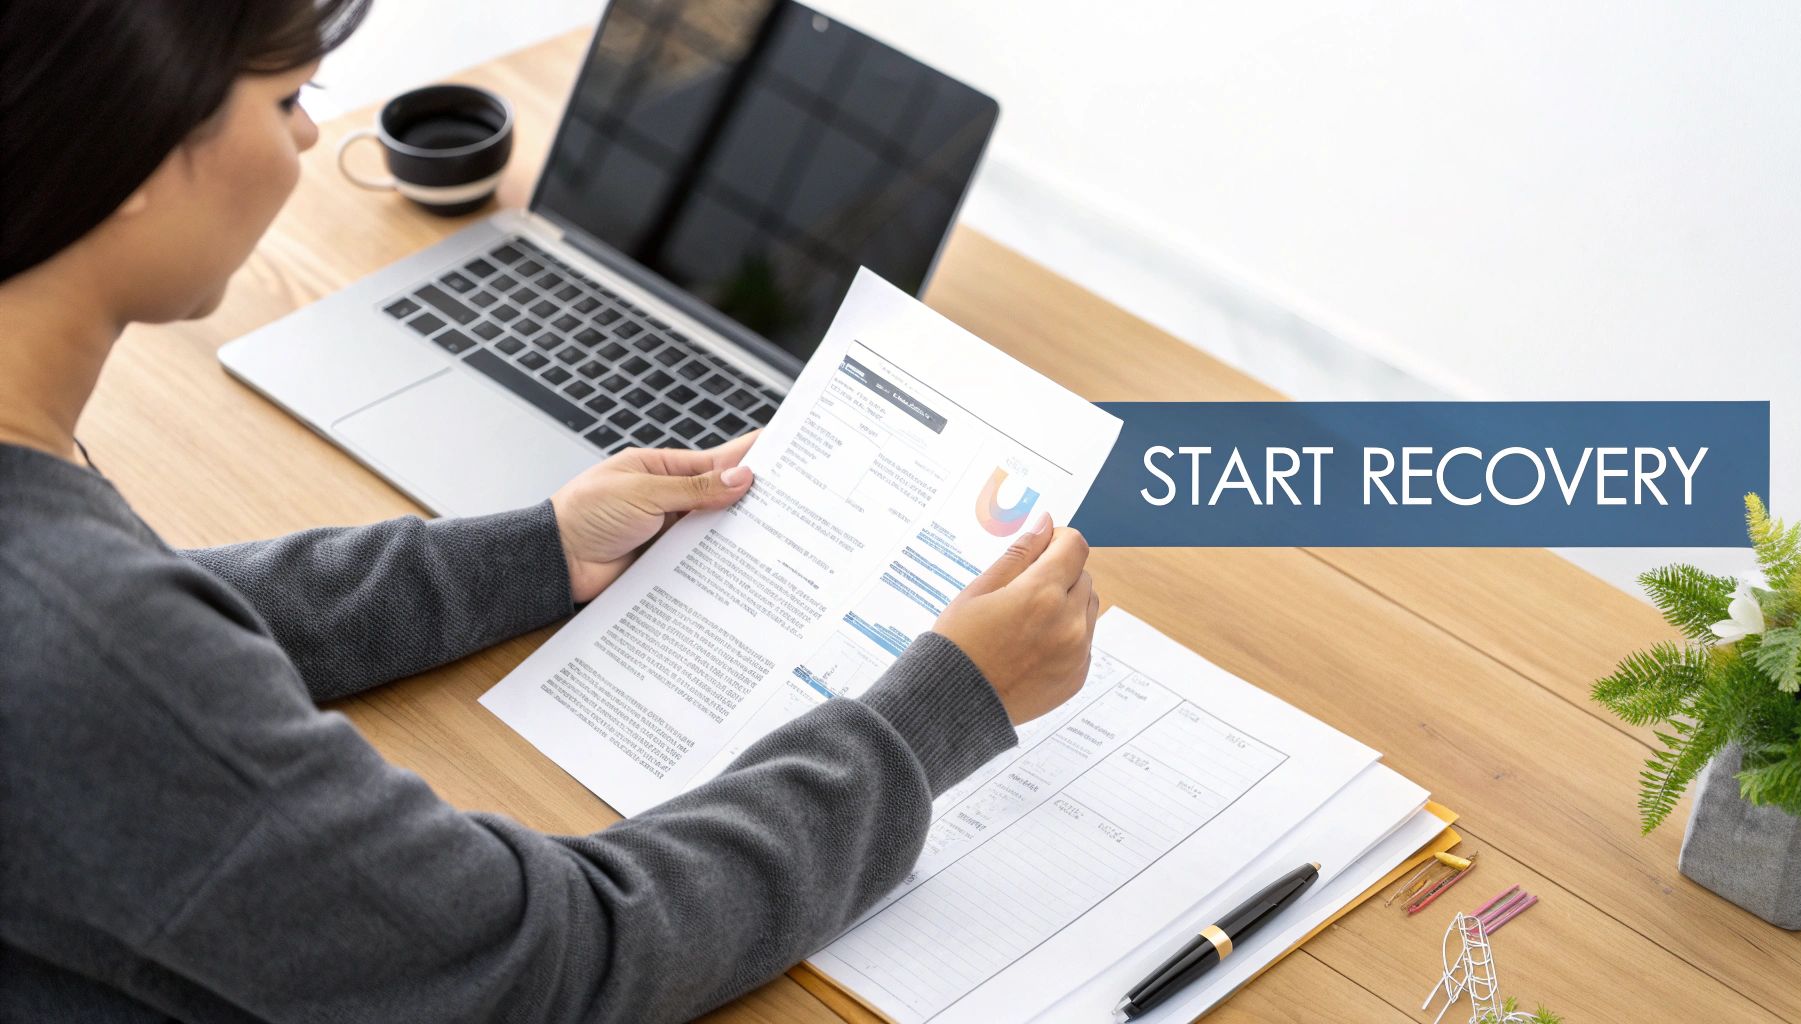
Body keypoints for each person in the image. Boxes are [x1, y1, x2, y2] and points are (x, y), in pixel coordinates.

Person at [0, 2, 1102, 1021]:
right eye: (285, 100)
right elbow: (549, 954)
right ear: (134, 144)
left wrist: (536, 552)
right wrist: (932, 715)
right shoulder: (87, 649)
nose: (303, 143)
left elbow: (142, 625)